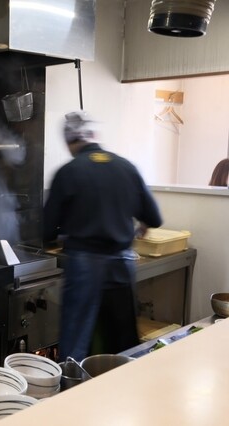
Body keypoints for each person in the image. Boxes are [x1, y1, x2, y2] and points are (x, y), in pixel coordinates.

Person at [43, 111, 163, 362]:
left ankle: (74, 384)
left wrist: (61, 235)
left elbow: (47, 230)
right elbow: (154, 217)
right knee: (122, 342)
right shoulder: (126, 167)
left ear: (69, 141)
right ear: (93, 135)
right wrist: (140, 226)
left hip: (84, 266)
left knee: (76, 345)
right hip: (122, 264)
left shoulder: (68, 172)